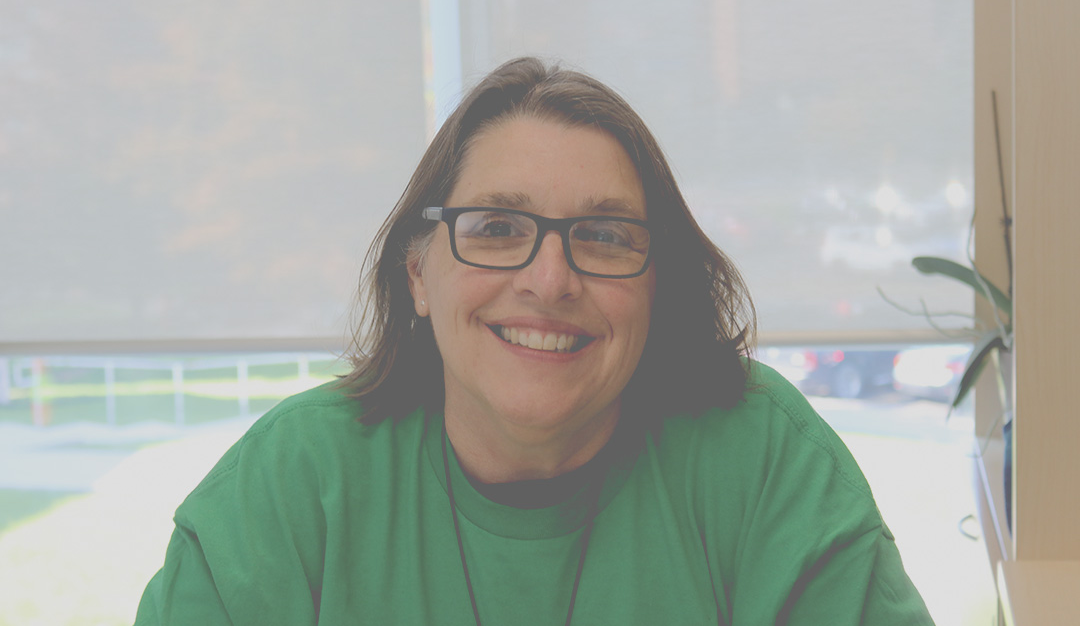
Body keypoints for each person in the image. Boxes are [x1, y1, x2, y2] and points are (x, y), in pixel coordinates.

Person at [134, 57, 935, 625]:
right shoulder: (292, 486)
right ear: (418, 272)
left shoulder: (768, 464)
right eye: (496, 227)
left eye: (604, 235)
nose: (549, 281)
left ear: (659, 284)